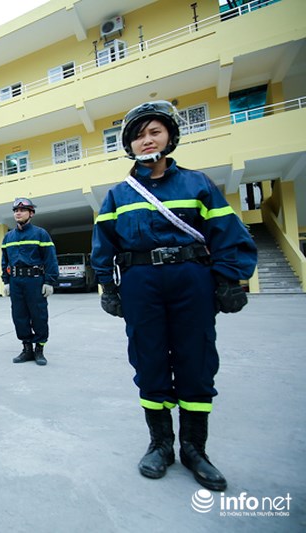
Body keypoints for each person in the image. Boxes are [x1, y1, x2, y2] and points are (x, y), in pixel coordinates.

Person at [91, 100, 257, 491]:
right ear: (128, 146)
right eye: (138, 136)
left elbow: (227, 233)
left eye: (154, 132)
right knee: (148, 360)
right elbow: (104, 244)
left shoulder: (198, 184)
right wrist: (108, 286)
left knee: (196, 360)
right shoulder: (117, 195)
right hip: (140, 282)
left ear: (170, 136)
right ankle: (160, 444)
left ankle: (194, 449)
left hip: (191, 280)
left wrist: (230, 280)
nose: (146, 141)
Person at [1, 198, 59, 366]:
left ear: (31, 213)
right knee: (19, 316)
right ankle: (27, 349)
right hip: (16, 281)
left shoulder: (40, 234)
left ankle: (39, 349)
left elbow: (50, 259)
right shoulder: (8, 237)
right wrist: (6, 281)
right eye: (15, 210)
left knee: (39, 315)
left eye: (22, 209)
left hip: (35, 281)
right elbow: (5, 261)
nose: (17, 213)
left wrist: (49, 281)